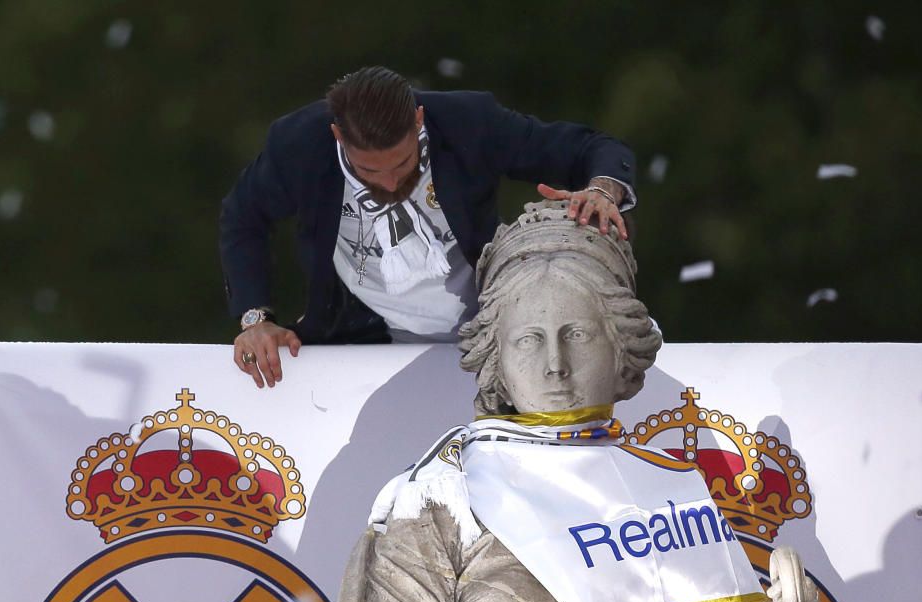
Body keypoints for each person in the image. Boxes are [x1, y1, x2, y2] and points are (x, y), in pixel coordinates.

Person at [313, 202, 848, 602]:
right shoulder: (441, 499)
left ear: (621, 351)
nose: (555, 366)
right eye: (529, 339)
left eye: (576, 334)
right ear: (495, 357)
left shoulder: (670, 495)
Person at [219, 66, 638, 389]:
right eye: (367, 170)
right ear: (337, 137)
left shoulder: (468, 123)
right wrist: (255, 318)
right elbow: (243, 216)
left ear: (419, 119)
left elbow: (591, 148)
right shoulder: (300, 145)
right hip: (360, 338)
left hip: (491, 333)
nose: (387, 182)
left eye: (402, 165)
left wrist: (601, 190)